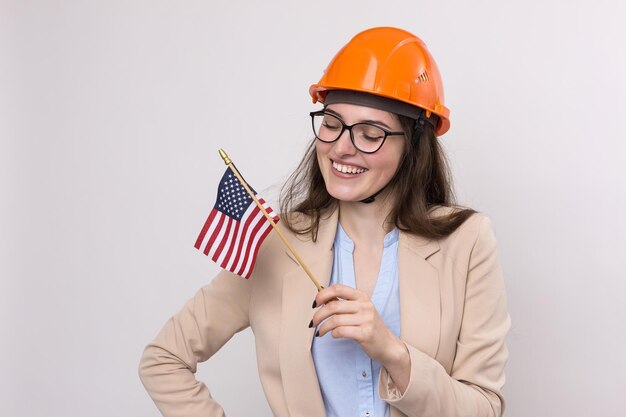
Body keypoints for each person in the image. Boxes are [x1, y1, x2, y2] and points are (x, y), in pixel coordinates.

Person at [139, 27, 510, 417]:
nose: (341, 147)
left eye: (370, 133)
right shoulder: (276, 244)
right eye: (332, 123)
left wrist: (391, 351)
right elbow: (163, 359)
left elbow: (484, 408)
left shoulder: (468, 242)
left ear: (414, 146)